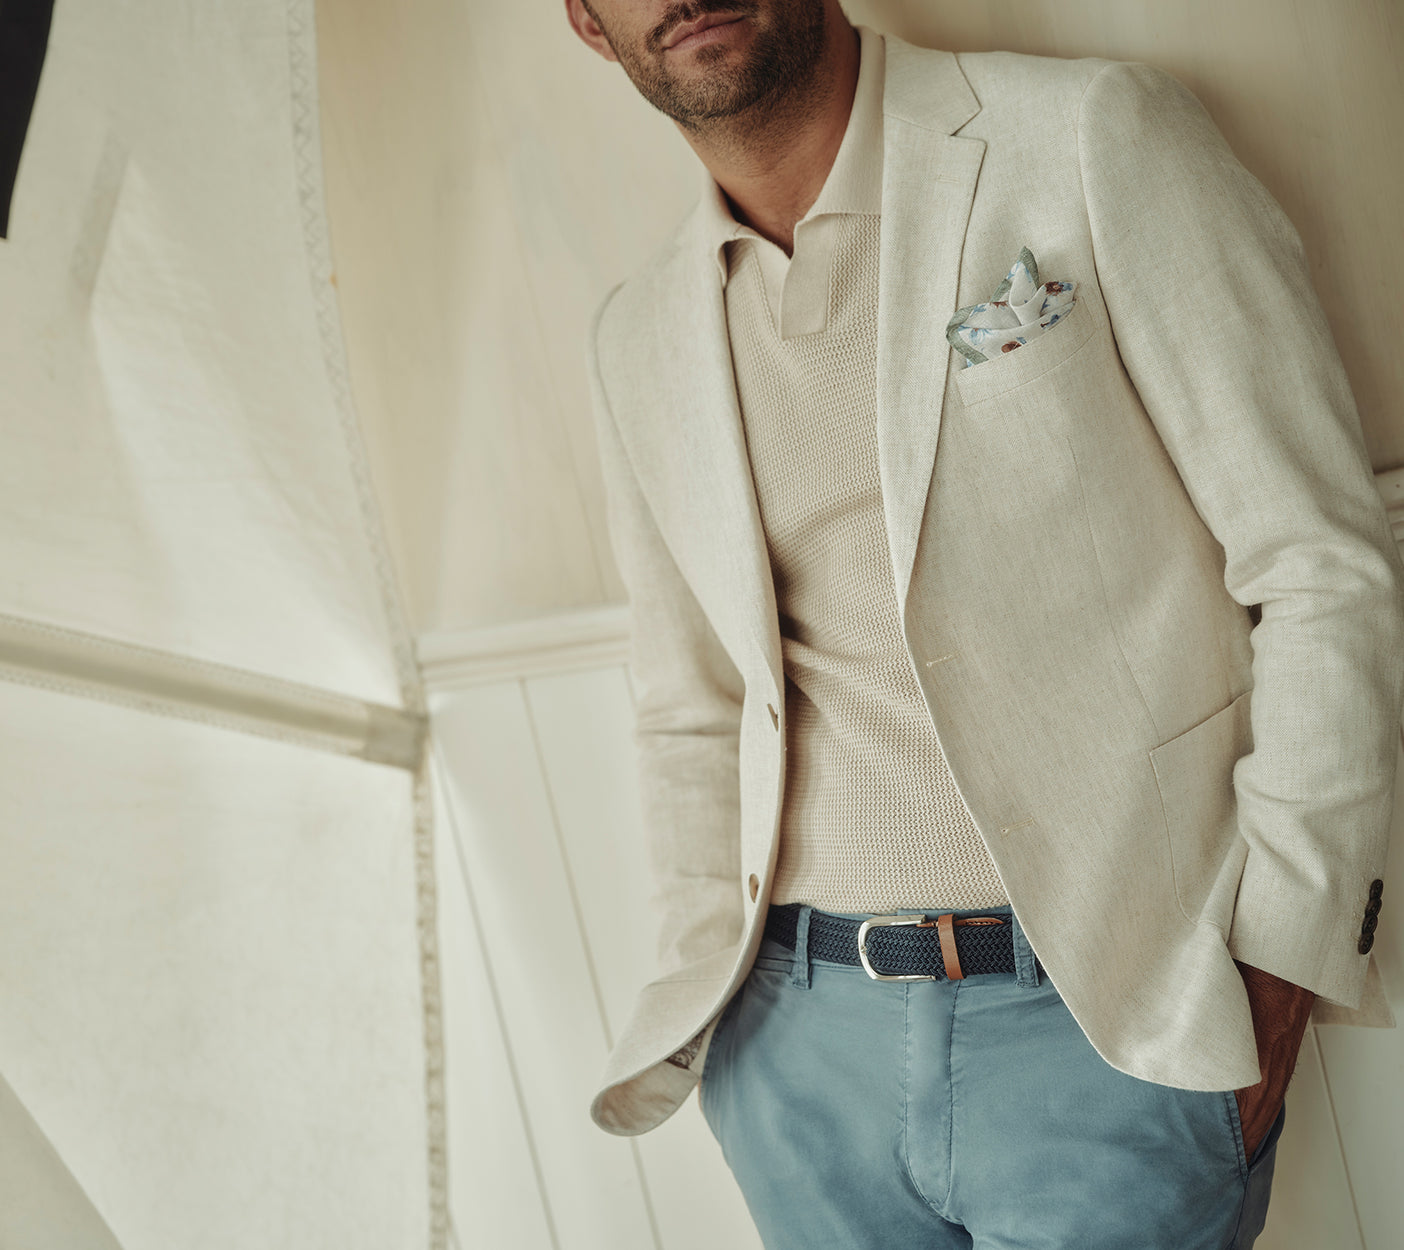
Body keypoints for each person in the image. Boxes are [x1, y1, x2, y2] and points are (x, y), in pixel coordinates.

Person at [564, 1, 1404, 1245]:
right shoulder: (636, 335)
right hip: (799, 1058)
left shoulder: (1091, 135)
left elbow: (1321, 560)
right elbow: (692, 707)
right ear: (588, 20)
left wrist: (1278, 966)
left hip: (1111, 1024)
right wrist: (719, 1010)